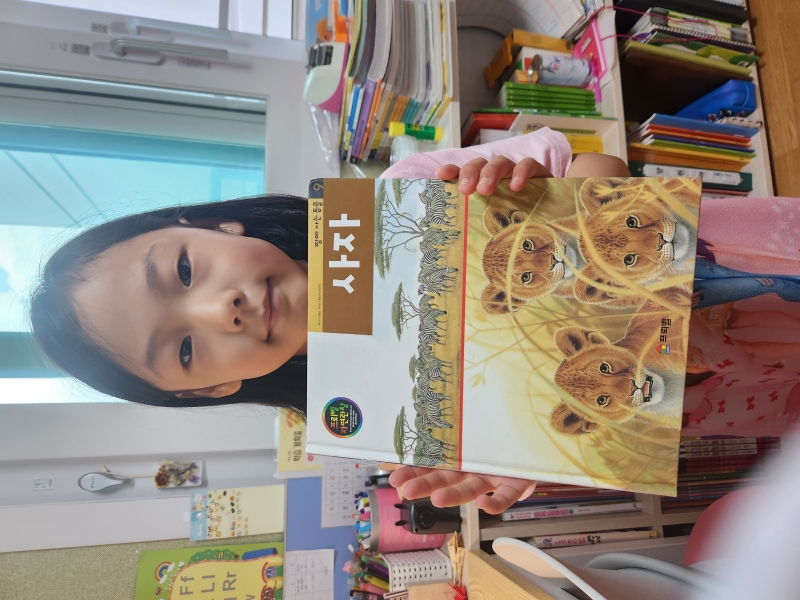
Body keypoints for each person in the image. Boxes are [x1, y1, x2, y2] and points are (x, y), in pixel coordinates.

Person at [28, 129, 800, 514]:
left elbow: (605, 167)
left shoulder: (408, 197)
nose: (217, 308)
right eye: (185, 348)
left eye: (183, 271)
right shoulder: (378, 423)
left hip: (751, 252)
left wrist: (541, 190)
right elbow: (593, 434)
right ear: (213, 389)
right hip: (749, 392)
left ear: (210, 227)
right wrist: (524, 468)